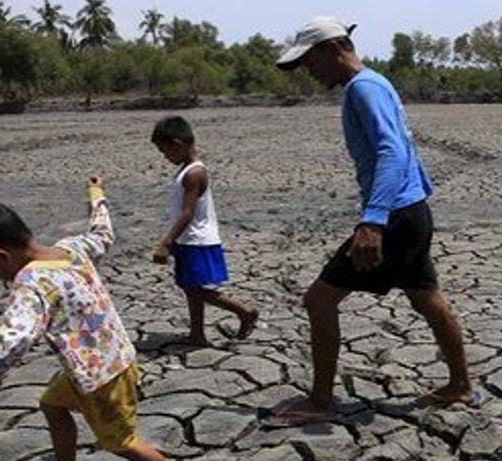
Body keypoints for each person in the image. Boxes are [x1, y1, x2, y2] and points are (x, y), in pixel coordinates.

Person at [0, 177, 203, 461]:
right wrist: (97, 196)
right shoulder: (71, 248)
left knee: (121, 441)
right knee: (52, 405)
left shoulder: (32, 285)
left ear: (0, 257)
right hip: (108, 359)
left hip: (100, 376)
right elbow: (103, 233)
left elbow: (16, 339)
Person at [266, 16, 479, 427]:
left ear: (332, 48)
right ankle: (461, 385)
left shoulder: (363, 88)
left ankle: (321, 401)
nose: (309, 72)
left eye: (310, 61)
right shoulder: (374, 84)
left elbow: (391, 153)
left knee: (319, 300)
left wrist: (374, 220)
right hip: (411, 210)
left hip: (395, 216)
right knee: (427, 298)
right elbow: (403, 151)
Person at [150, 115, 260, 347]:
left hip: (196, 240)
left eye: (165, 151)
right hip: (189, 239)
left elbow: (187, 213)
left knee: (192, 288)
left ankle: (244, 310)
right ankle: (197, 334)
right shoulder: (189, 167)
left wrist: (166, 243)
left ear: (178, 145)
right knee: (193, 288)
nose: (165, 157)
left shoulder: (194, 173)